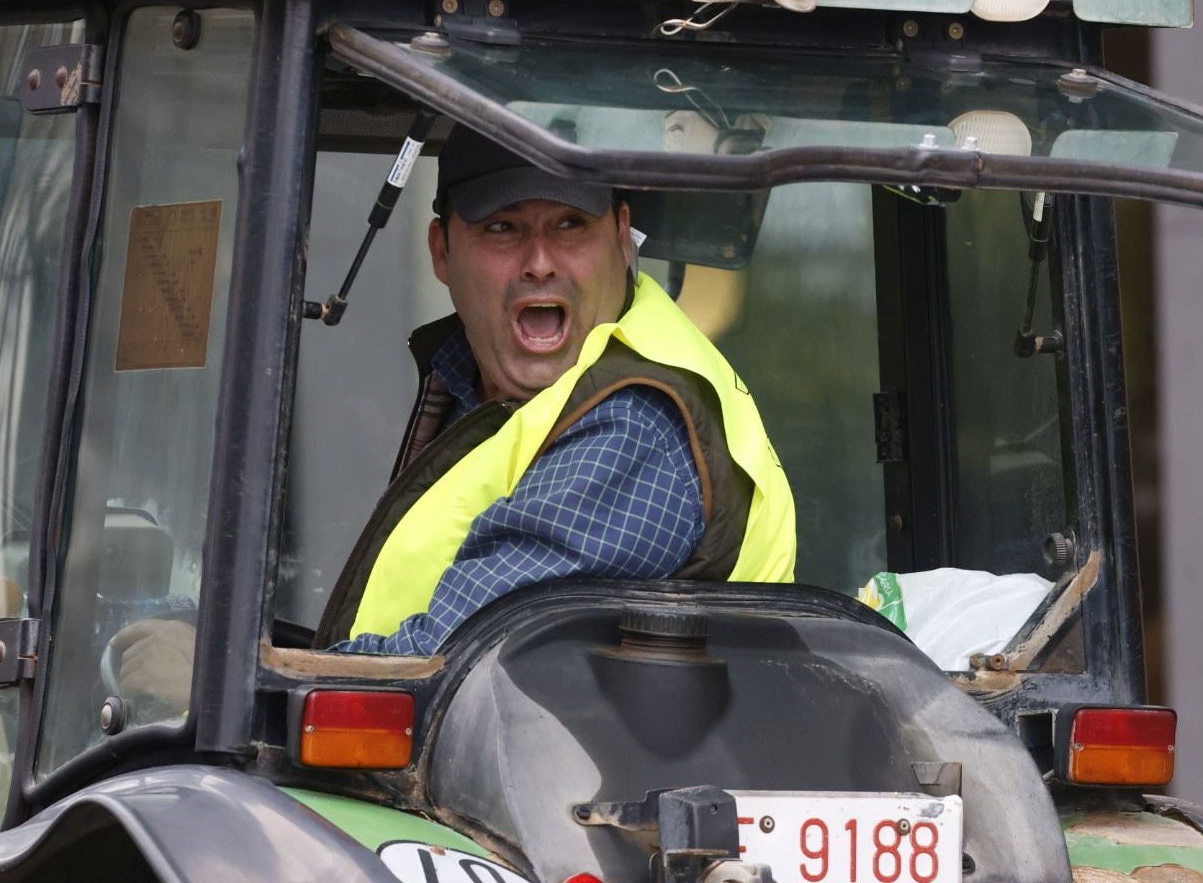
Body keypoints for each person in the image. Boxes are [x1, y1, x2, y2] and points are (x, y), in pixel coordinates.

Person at [112, 126, 795, 695]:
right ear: (443, 252)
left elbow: (451, 661)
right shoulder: (497, 398)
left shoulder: (634, 421)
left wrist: (228, 679)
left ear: (622, 237)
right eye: (503, 228)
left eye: (569, 226)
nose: (539, 261)